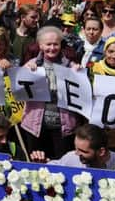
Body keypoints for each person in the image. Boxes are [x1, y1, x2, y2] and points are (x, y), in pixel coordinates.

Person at [21, 26, 82, 160]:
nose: (52, 48)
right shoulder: (31, 65)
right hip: (35, 126)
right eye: (48, 44)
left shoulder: (71, 67)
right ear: (41, 46)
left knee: (60, 164)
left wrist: (79, 74)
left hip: (63, 127)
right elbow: (20, 94)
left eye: (56, 44)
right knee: (36, 162)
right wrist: (26, 73)